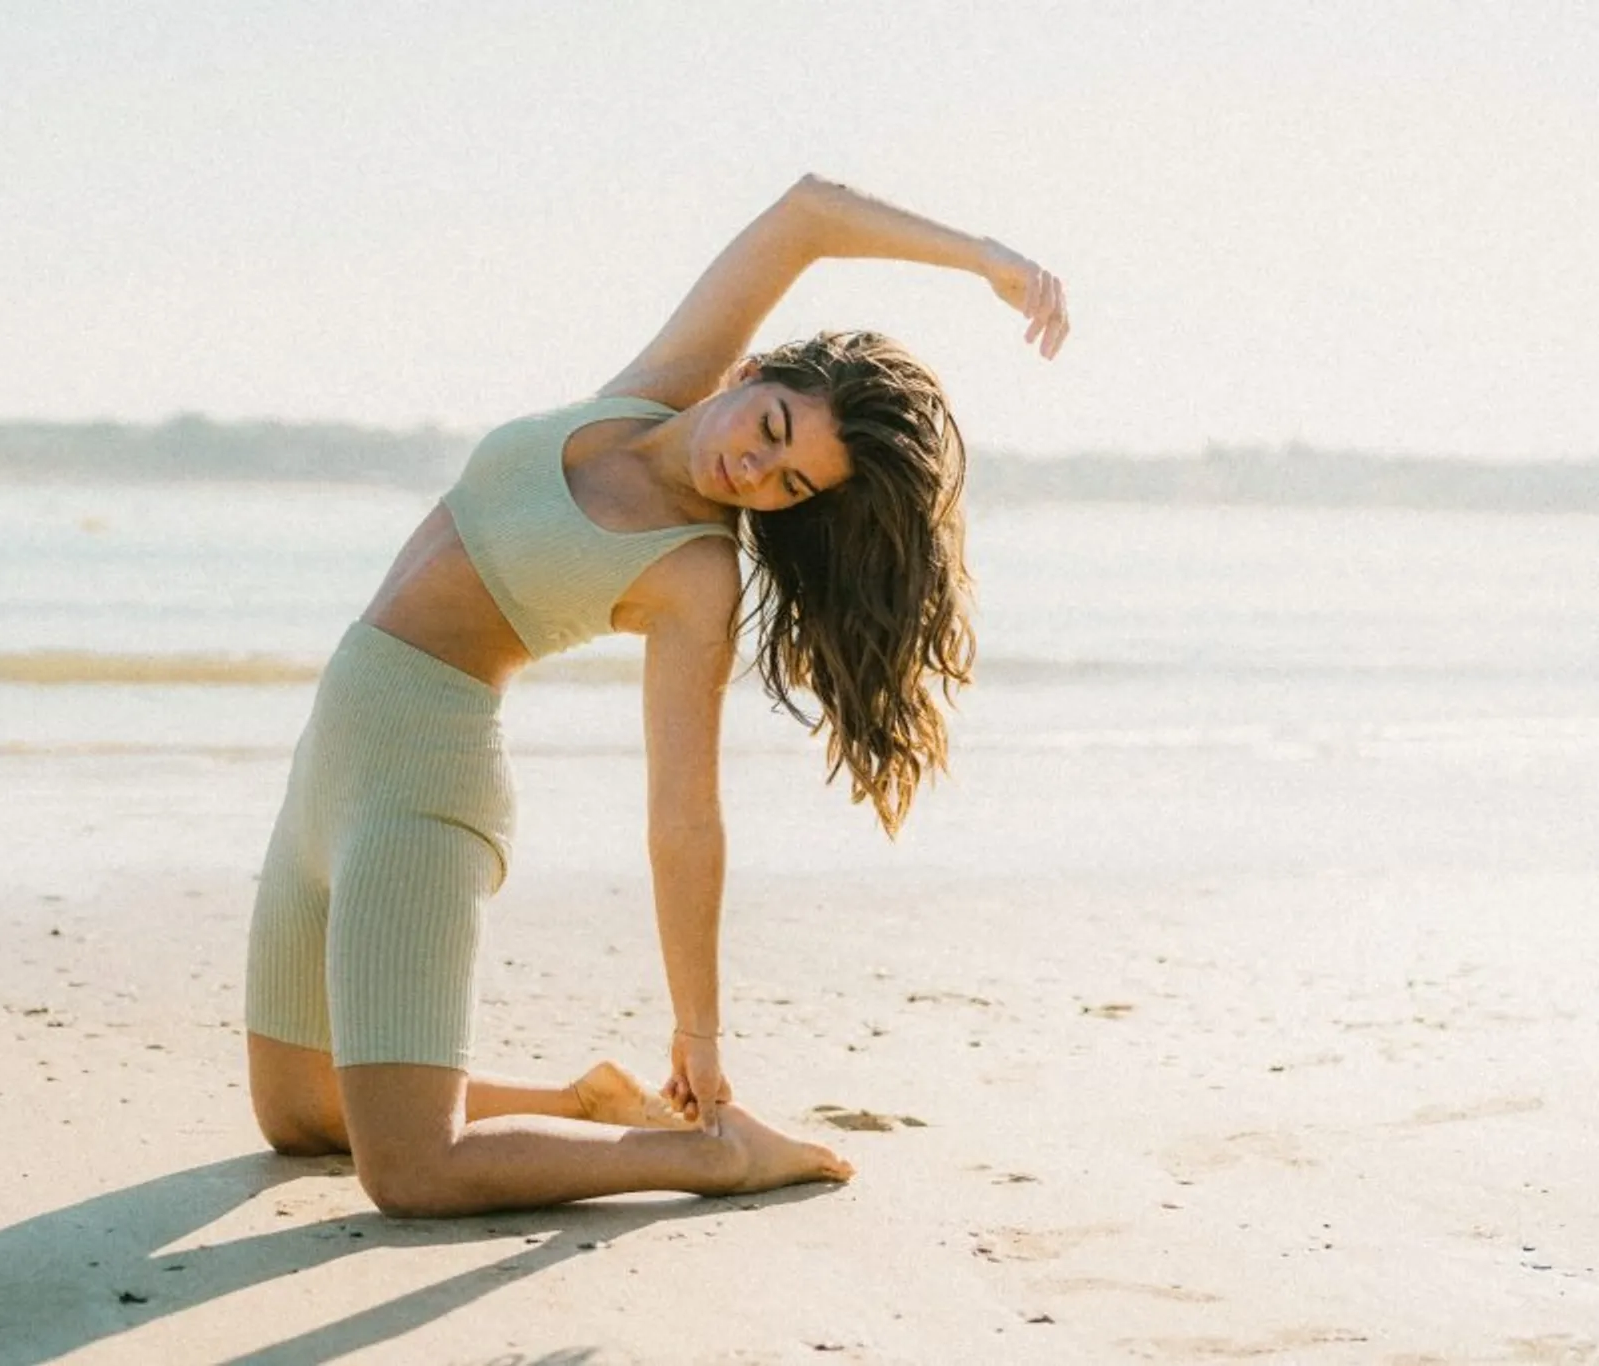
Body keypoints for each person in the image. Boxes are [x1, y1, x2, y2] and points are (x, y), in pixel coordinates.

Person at [244, 174, 1069, 1217]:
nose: (751, 469)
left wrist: (699, 1033)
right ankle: (578, 1098)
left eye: (788, 486)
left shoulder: (692, 574)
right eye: (769, 429)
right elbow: (807, 212)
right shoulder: (656, 390)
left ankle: (711, 1156)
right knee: (296, 1113)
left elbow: (685, 814)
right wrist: (987, 259)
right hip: (331, 751)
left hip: (418, 787)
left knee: (408, 1173)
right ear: (753, 373)